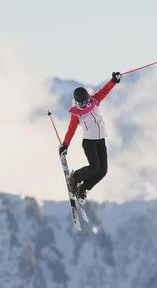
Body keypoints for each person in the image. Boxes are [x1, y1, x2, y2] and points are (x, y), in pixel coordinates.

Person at [59, 71, 122, 202]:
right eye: (81, 104)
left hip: (100, 140)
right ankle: (74, 178)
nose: (84, 105)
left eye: (86, 101)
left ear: (88, 97)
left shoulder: (94, 101)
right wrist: (65, 145)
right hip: (89, 142)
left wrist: (114, 81)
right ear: (76, 103)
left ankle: (83, 188)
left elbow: (104, 91)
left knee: (102, 171)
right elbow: (71, 129)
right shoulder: (77, 114)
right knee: (94, 167)